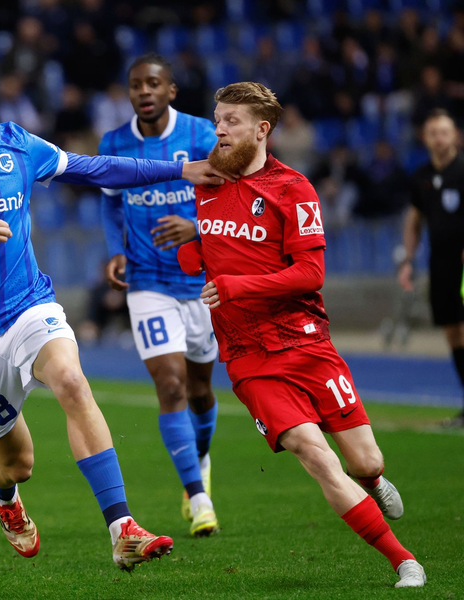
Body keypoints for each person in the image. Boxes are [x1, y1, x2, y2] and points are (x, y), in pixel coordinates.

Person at [0, 55, 232, 571]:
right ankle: (5, 500)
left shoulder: (16, 145)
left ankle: (122, 528)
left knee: (71, 379)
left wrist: (180, 168)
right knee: (16, 464)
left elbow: (93, 168)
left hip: (28, 307)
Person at [177, 82, 426, 588]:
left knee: (365, 459)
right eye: (217, 119)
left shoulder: (294, 189)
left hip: (308, 342)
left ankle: (373, 480)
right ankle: (404, 561)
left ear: (261, 129)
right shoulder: (205, 185)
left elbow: (310, 274)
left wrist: (235, 284)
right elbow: (206, 256)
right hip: (248, 355)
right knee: (315, 454)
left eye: (231, 121)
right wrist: (190, 250)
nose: (219, 129)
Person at [99, 54, 221, 537]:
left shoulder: (201, 137)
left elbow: (230, 197)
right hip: (147, 282)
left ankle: (202, 457)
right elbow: (110, 205)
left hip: (201, 284)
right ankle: (198, 495)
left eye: (153, 83)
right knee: (170, 387)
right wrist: (116, 251)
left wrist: (195, 227)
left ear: (171, 90)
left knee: (200, 389)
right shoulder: (115, 143)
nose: (144, 92)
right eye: (135, 85)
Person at [398, 109, 464, 427]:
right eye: (433, 132)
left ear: (456, 136)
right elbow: (414, 221)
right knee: (452, 332)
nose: (439, 138)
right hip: (440, 263)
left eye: (444, 132)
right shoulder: (422, 176)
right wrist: (407, 261)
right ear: (425, 138)